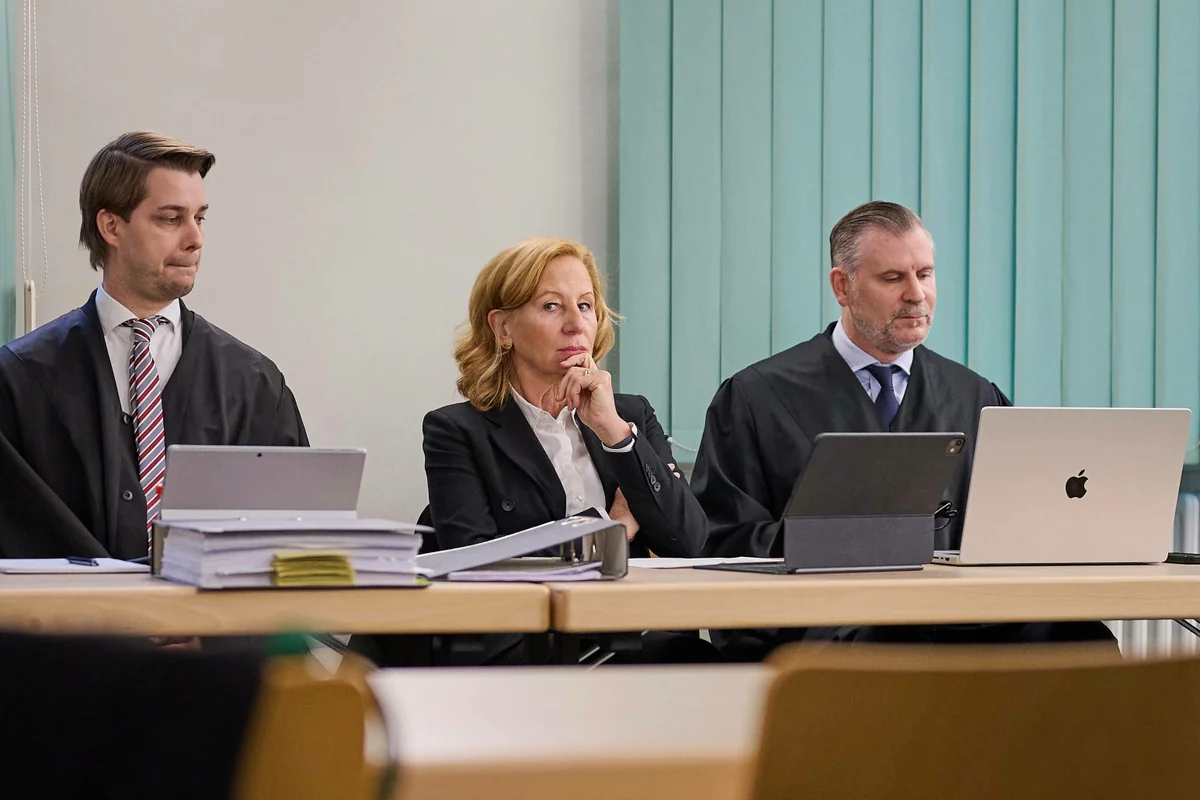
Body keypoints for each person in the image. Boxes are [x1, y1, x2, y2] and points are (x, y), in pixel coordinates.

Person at [692, 200, 1113, 658]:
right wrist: (835, 539)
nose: (916, 294)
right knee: (891, 640)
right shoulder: (756, 397)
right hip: (826, 623)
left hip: (958, 616)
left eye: (925, 274)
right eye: (893, 278)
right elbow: (723, 544)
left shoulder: (974, 396)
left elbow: (1017, 523)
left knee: (1082, 638)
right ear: (843, 286)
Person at [0, 131, 308, 560]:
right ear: (111, 226)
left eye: (200, 218)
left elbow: (293, 538)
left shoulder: (254, 384)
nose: (195, 238)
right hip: (72, 604)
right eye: (171, 219)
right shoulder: (20, 378)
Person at [421, 236, 715, 664]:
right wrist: (613, 529)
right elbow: (476, 568)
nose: (576, 324)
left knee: (721, 667)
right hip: (529, 651)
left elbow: (689, 542)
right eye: (551, 306)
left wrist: (615, 434)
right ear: (503, 329)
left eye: (585, 305)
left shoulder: (631, 415)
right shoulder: (456, 431)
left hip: (630, 633)